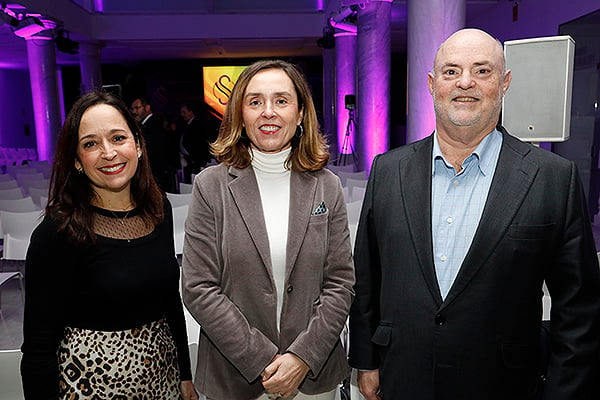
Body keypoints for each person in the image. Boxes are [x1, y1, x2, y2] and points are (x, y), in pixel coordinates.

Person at [349, 28, 600, 400]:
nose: (465, 82)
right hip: (403, 376)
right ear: (433, 84)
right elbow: (368, 276)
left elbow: (579, 308)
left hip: (503, 384)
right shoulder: (388, 169)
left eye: (482, 71)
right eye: (451, 72)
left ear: (505, 82)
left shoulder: (552, 178)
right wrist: (366, 360)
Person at [181, 59, 355, 400]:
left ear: (301, 113)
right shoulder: (211, 186)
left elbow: (341, 282)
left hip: (312, 378)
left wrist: (302, 357)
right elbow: (199, 287)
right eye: (255, 101)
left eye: (281, 100)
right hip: (234, 378)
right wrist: (263, 360)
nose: (268, 112)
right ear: (240, 115)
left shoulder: (327, 186)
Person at [20, 90, 198, 400]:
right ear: (77, 160)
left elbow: (170, 300)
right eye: (90, 144)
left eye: (118, 138)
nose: (108, 152)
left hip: (162, 381)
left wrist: (184, 373)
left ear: (138, 146)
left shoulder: (159, 210)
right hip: (89, 389)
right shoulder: (58, 232)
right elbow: (38, 346)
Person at [131, 96, 176, 192]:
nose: (134, 112)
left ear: (147, 108)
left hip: (158, 176)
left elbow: (154, 151)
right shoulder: (145, 125)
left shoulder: (154, 124)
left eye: (137, 108)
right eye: (132, 109)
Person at [180, 103, 210, 183]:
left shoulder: (197, 125)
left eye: (184, 112)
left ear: (191, 112)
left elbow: (198, 144)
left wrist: (193, 158)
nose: (182, 115)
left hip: (196, 161)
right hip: (189, 161)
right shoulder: (186, 125)